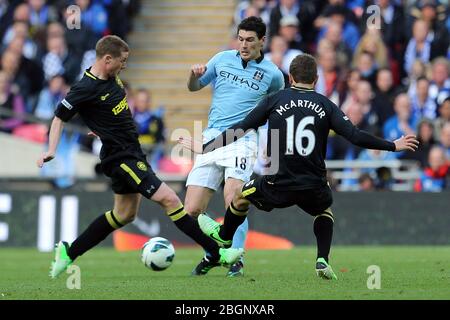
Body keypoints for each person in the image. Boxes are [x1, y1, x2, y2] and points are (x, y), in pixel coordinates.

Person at [180, 54, 419, 280]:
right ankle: (322, 259)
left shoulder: (275, 100)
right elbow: (355, 136)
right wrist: (393, 145)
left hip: (277, 183)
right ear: (315, 80)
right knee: (324, 211)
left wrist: (208, 147)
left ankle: (223, 237)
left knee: (240, 198)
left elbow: (241, 128)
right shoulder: (326, 104)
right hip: (313, 184)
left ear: (291, 79)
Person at [36, 35, 243, 279]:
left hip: (130, 152)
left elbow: (107, 111)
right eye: (122, 60)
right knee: (170, 200)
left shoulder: (112, 78)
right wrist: (51, 150)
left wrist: (101, 124)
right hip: (121, 158)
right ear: (107, 59)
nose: (125, 65)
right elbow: (59, 117)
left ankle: (69, 252)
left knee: (124, 215)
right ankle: (217, 254)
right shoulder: (84, 88)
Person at [185, 16, 285, 277]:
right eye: (240, 39)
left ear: (262, 41)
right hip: (212, 137)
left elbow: (277, 111)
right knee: (191, 211)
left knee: (234, 198)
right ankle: (214, 252)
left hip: (243, 139)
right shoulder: (221, 59)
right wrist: (192, 76)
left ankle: (236, 260)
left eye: (250, 40)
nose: (243, 44)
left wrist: (272, 145)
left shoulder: (273, 75)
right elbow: (195, 87)